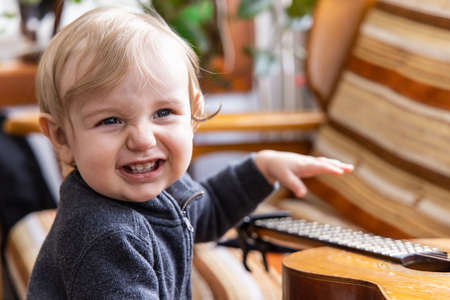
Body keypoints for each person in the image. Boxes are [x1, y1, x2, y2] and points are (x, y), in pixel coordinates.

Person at [27, 6, 353, 299]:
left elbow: (205, 213)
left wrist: (262, 168)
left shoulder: (160, 184)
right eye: (110, 120)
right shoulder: (104, 237)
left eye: (163, 113)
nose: (142, 140)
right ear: (61, 136)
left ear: (193, 111)